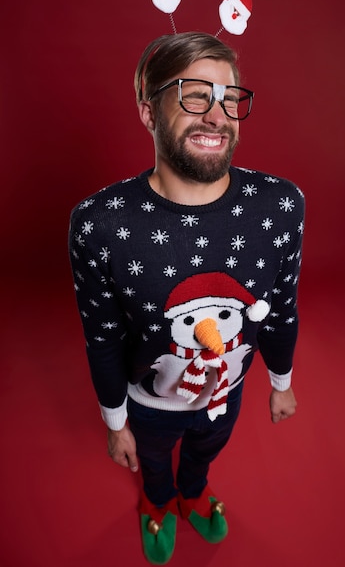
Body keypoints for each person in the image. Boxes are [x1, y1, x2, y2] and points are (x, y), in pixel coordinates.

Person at [68, 31, 304, 565]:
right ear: (149, 112)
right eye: (195, 93)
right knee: (155, 463)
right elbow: (102, 339)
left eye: (228, 97)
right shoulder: (99, 224)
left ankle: (193, 491)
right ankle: (157, 500)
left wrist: (281, 383)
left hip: (229, 392)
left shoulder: (281, 204)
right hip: (149, 406)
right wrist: (115, 422)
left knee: (205, 450)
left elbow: (282, 308)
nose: (216, 114)